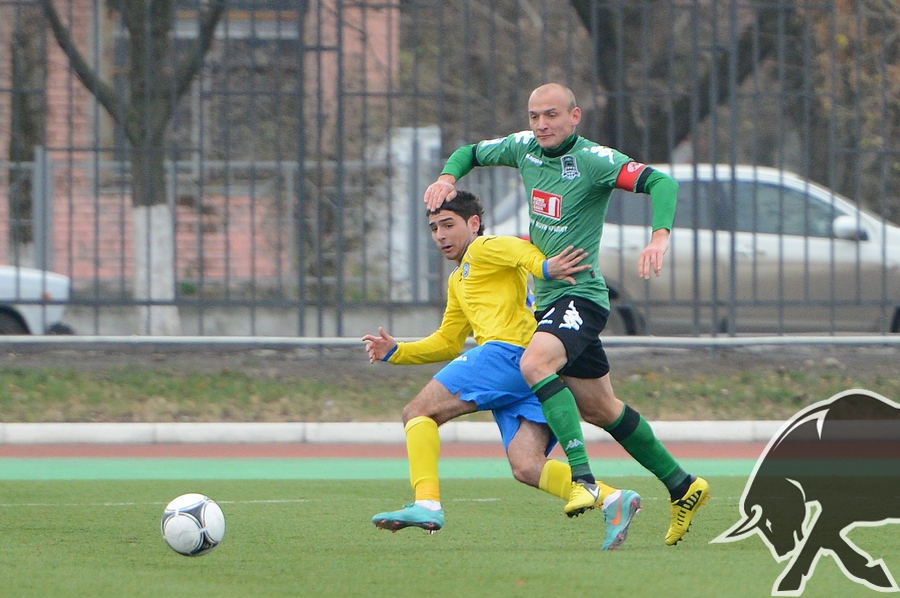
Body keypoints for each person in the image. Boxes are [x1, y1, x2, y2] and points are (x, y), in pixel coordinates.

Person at [422, 83, 709, 546]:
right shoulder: (523, 148)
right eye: (534, 116)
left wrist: (659, 237)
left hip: (581, 296)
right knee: (602, 409)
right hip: (551, 300)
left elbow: (663, 182)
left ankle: (585, 481)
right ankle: (683, 486)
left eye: (551, 115)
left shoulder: (595, 160)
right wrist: (447, 178)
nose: (541, 125)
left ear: (575, 116)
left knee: (535, 362)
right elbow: (470, 152)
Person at [364, 190, 642, 550]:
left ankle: (427, 503)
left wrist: (546, 268)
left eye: (448, 225)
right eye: (434, 228)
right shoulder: (459, 278)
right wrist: (397, 351)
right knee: (527, 466)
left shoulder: (484, 247)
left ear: (473, 224)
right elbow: (448, 341)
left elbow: (520, 251)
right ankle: (612, 499)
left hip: (507, 353)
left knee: (417, 412)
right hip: (531, 370)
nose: (441, 235)